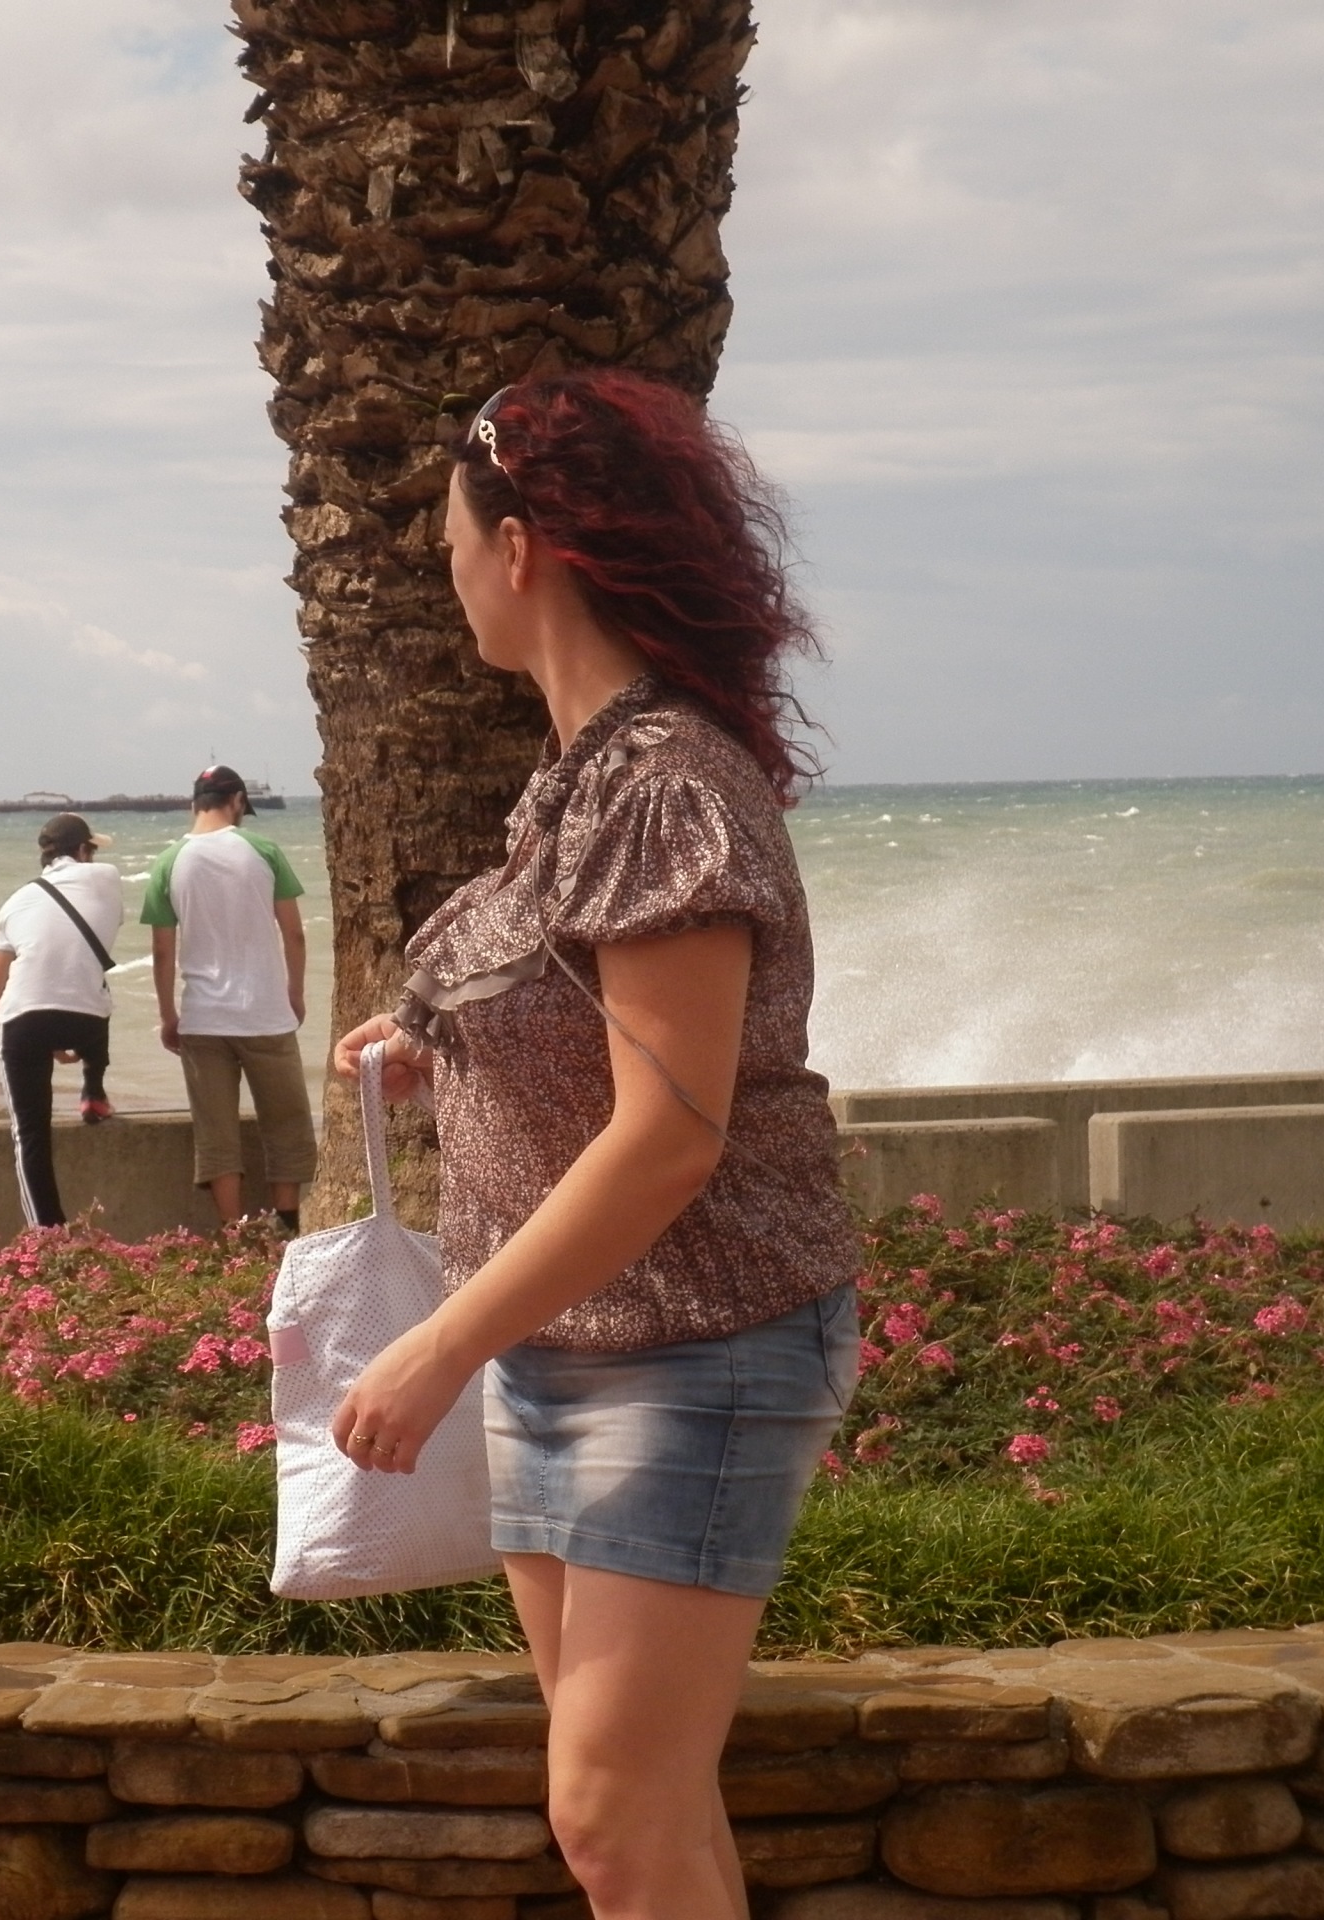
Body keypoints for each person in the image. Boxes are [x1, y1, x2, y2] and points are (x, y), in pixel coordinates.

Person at [325, 371, 858, 1920]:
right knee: (639, 1819)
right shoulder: (585, 775)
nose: (448, 575)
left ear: (520, 548)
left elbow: (672, 1137)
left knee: (616, 1819)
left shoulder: (662, 783)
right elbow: (593, 1003)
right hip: (573, 1339)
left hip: (695, 1341)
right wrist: (444, 1041)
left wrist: (437, 1348)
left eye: (451, 544)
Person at [142, 766, 318, 1232]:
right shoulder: (264, 851)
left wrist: (168, 1015)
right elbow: (295, 934)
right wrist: (295, 992)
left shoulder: (169, 861)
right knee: (286, 1124)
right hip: (265, 1013)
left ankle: (233, 1232)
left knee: (216, 1135)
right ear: (237, 800)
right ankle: (286, 1226)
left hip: (203, 1019)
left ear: (194, 803)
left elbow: (162, 951)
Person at [0, 813, 124, 1228]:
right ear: (83, 850)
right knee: (97, 992)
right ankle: (93, 1089)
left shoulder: (15, 902)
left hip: (22, 1021)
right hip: (87, 1023)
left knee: (29, 1134)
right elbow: (73, 953)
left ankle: (47, 1233)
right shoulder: (108, 879)